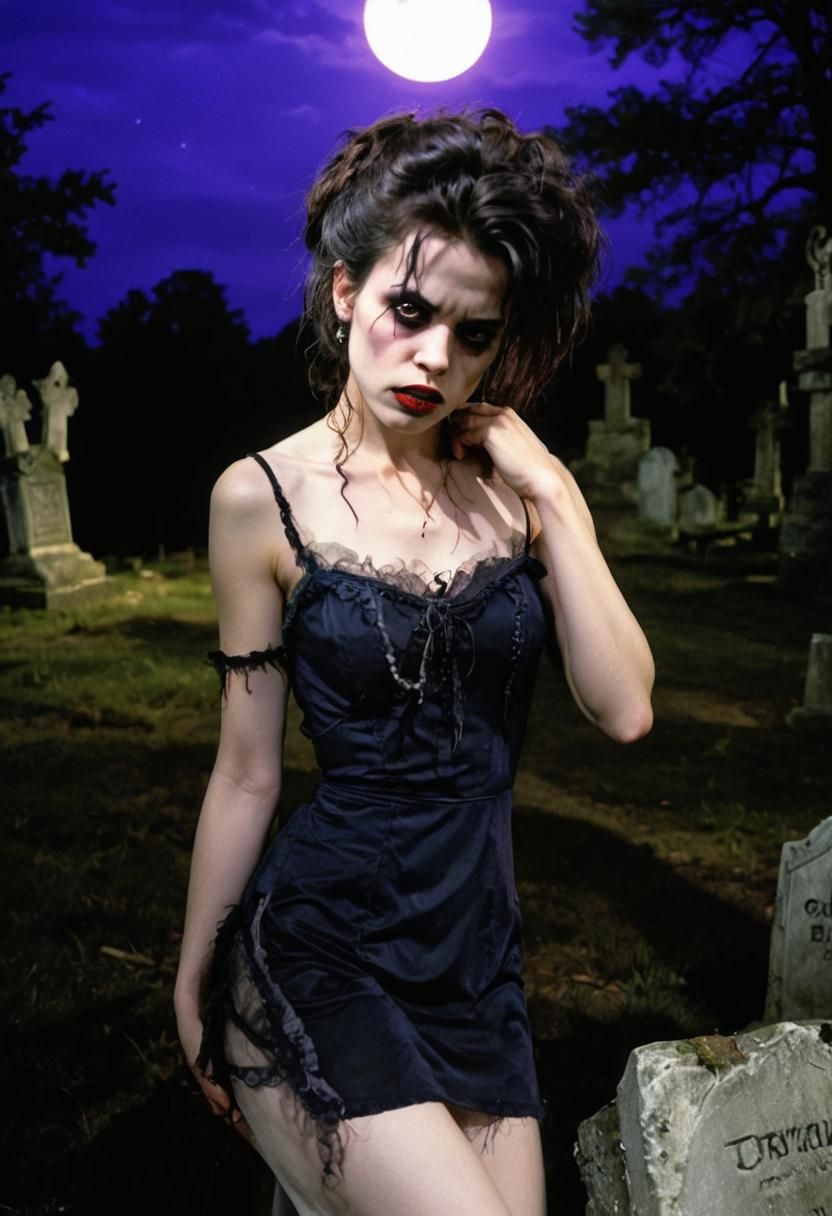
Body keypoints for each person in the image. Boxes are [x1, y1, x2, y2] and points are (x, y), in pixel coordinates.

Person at [174, 108, 654, 1216]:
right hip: (317, 947)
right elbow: (248, 772)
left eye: (473, 334)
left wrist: (558, 503)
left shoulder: (513, 492)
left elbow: (624, 708)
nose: (436, 356)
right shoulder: (260, 499)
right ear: (346, 291)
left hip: (476, 962)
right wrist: (190, 981)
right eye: (409, 310)